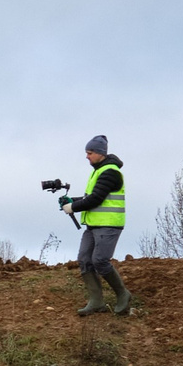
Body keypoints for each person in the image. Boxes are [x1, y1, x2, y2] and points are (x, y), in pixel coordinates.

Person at [61, 134, 131, 315]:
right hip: (93, 225)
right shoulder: (98, 171)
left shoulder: (110, 172)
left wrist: (72, 207)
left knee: (100, 260)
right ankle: (96, 301)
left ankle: (123, 294)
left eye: (90, 152)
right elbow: (90, 197)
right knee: (85, 260)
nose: (87, 156)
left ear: (100, 153)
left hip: (108, 225)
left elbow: (96, 199)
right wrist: (72, 201)